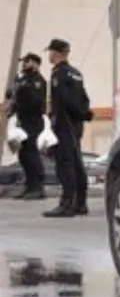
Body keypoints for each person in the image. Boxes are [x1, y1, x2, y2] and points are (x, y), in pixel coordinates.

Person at [42, 38, 93, 218]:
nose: (49, 55)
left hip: (64, 124)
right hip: (76, 124)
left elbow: (64, 100)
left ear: (56, 53)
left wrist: (61, 119)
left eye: (50, 52)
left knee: (65, 164)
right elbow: (84, 98)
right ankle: (80, 203)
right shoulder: (76, 73)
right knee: (77, 162)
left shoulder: (59, 73)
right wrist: (83, 114)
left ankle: (67, 204)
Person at [11, 53, 48, 199]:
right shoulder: (23, 80)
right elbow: (15, 99)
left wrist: (22, 91)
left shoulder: (38, 81)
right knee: (23, 155)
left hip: (33, 121)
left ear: (35, 63)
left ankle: (38, 187)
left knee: (32, 153)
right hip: (22, 121)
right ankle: (29, 185)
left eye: (27, 61)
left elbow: (36, 102)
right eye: (23, 61)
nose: (24, 64)